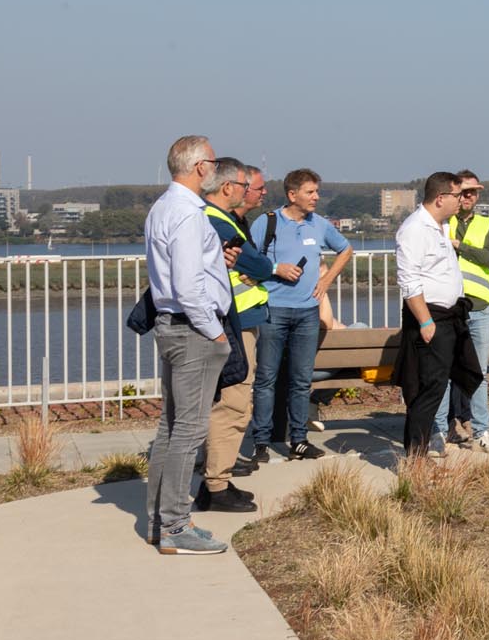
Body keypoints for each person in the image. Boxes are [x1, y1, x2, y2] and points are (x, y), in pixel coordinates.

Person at [143, 135, 235, 554]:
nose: (215, 169)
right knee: (189, 430)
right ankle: (176, 526)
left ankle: (158, 523)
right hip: (193, 331)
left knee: (171, 427)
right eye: (213, 162)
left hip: (173, 327)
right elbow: (188, 286)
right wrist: (215, 333)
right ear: (200, 167)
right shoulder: (187, 213)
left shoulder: (164, 207)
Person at [197, 158, 301, 513]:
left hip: (241, 318)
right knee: (234, 402)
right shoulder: (215, 220)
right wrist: (267, 268)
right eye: (246, 186)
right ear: (228, 188)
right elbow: (252, 261)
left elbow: (247, 259)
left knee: (234, 400)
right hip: (234, 322)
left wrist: (254, 266)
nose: (250, 193)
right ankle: (215, 484)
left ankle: (218, 479)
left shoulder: (227, 220)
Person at [247, 168, 351, 461]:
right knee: (266, 378)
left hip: (307, 312)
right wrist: (275, 269)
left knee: (301, 380)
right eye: (310, 192)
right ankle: (261, 443)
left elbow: (345, 250)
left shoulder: (319, 224)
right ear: (292, 195)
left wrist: (326, 281)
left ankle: (299, 441)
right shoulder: (266, 223)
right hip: (273, 311)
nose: (316, 197)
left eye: (317, 191)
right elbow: (247, 261)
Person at [394, 172, 482, 458]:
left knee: (447, 380)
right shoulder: (415, 229)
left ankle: (422, 449)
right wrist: (425, 320)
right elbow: (409, 281)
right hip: (431, 318)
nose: (461, 201)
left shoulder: (440, 227)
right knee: (428, 387)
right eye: (458, 195)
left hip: (449, 317)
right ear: (441, 197)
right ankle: (416, 455)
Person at [437, 169, 489, 453]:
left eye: (473, 192)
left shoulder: (486, 225)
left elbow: (487, 257)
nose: (468, 197)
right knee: (443, 372)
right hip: (449, 307)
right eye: (463, 192)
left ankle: (481, 432)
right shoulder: (442, 222)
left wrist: (458, 246)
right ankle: (440, 431)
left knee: (479, 372)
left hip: (479, 307)